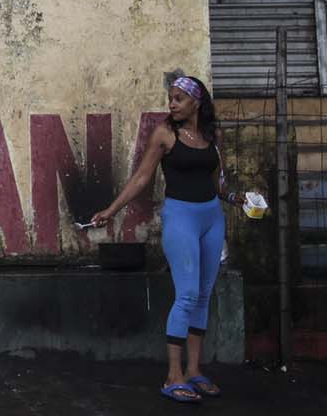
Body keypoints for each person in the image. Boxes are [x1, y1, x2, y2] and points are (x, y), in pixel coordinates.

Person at [91, 73, 244, 404]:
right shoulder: (165, 134)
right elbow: (142, 177)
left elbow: (218, 182)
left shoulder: (212, 135)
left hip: (211, 218)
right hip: (181, 218)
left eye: (178, 98)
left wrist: (239, 199)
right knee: (187, 294)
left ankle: (194, 371)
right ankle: (172, 376)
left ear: (196, 102)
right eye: (171, 98)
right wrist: (112, 209)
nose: (171, 103)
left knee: (203, 295)